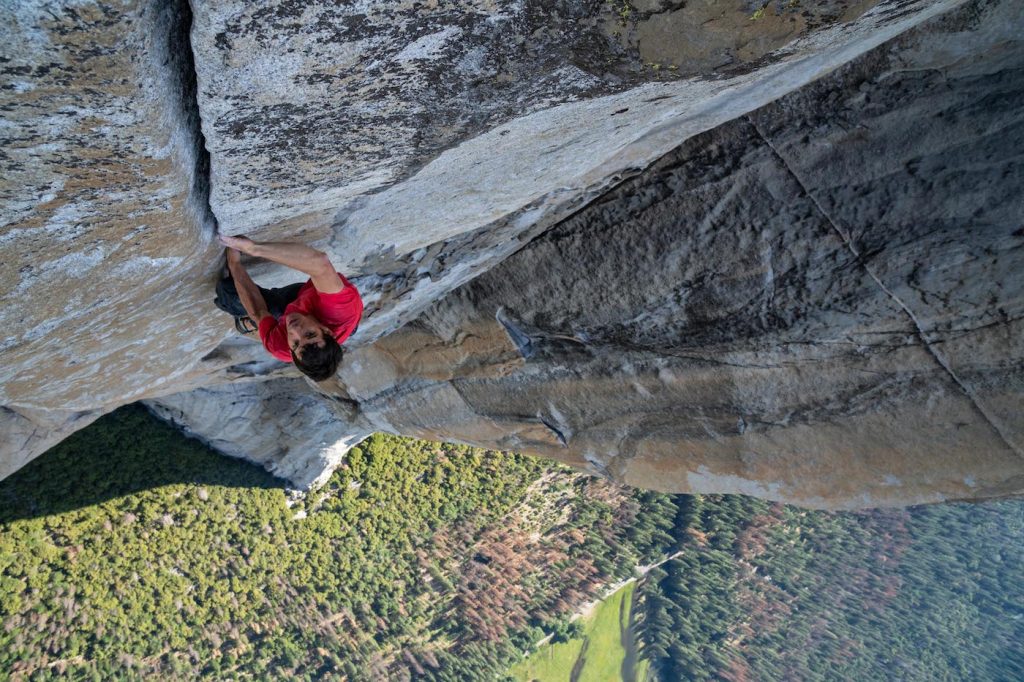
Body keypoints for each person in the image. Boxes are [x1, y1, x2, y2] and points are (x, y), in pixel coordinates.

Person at [215, 235, 363, 382]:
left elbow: (258, 312)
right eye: (310, 334)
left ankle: (252, 326)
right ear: (326, 330)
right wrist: (254, 248)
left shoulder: (280, 347)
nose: (295, 330)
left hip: (302, 310)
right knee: (286, 309)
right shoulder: (339, 310)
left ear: (291, 353)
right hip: (313, 302)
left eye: (296, 343)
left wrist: (234, 264)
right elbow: (320, 264)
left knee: (230, 293)